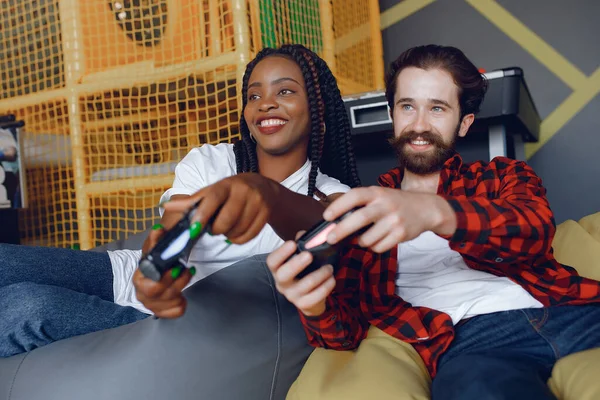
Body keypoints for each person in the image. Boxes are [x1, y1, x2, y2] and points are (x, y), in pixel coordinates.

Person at [267, 45, 600, 400]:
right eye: (407, 106)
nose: (419, 125)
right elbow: (344, 335)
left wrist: (435, 213)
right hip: (473, 345)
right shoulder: (361, 212)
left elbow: (533, 232)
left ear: (464, 123)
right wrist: (313, 304)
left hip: (567, 312)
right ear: (392, 114)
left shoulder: (500, 176)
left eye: (437, 108)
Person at [0, 43, 360, 356]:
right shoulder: (211, 160)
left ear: (318, 109)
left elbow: (327, 224)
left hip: (188, 319)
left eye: (285, 92)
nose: (265, 104)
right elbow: (175, 230)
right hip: (131, 278)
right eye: (254, 95)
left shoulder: (333, 195)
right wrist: (158, 265)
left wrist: (265, 193)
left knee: (26, 305)